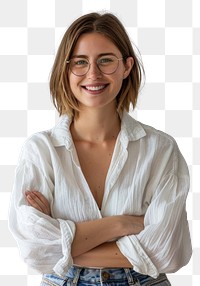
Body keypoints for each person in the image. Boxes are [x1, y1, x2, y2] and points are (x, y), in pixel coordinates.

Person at [9, 12, 192, 286]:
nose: (93, 74)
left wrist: (64, 242)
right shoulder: (41, 150)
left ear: (127, 66)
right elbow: (34, 250)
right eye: (80, 62)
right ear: (66, 69)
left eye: (106, 60)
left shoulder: (160, 149)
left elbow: (166, 251)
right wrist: (122, 225)